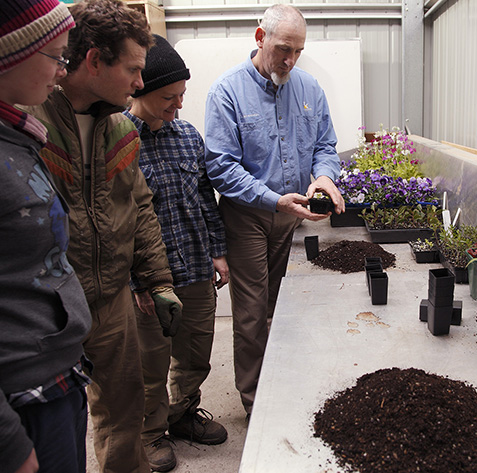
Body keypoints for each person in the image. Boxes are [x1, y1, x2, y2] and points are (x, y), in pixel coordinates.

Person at [23, 1, 183, 472]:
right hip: (51, 305)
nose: (140, 83)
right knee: (58, 421)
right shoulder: (30, 124)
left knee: (124, 407)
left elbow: (138, 207)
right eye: (133, 70)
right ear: (94, 60)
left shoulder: (119, 129)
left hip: (111, 298)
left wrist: (158, 281)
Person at [204, 4, 345, 416]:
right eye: (283, 48)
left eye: (298, 51)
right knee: (250, 312)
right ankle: (255, 402)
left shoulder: (308, 89)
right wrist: (273, 199)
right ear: (259, 37)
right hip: (247, 216)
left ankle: (279, 380)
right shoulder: (227, 92)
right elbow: (221, 166)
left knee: (279, 306)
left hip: (291, 215)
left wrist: (324, 177)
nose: (290, 59)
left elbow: (324, 146)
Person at [124, 35, 230, 472]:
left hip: (195, 267)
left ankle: (183, 412)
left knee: (195, 352)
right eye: (169, 97)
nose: (178, 106)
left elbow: (206, 198)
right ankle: (150, 433)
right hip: (149, 282)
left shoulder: (187, 136)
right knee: (149, 364)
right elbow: (115, 225)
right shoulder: (117, 142)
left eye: (182, 96)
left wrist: (218, 253)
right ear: (138, 90)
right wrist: (137, 283)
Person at [0, 1, 93, 472]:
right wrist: (10, 445)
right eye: (56, 56)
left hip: (54, 375)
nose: (62, 70)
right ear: (11, 54)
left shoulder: (17, 136)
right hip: (21, 398)